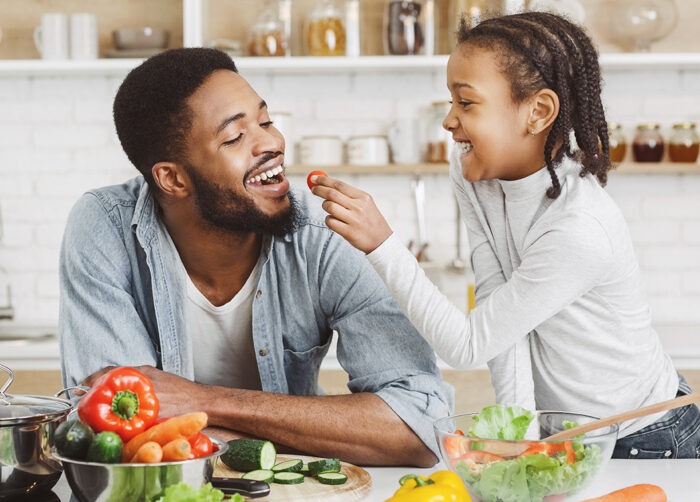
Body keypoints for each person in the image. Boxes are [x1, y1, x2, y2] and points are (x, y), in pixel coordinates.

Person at [311, 12, 700, 459]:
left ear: (537, 112)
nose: (449, 121)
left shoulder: (578, 227)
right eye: (450, 101)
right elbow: (501, 322)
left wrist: (382, 245)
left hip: (646, 435)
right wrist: (521, 439)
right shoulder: (475, 174)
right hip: (571, 438)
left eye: (467, 103)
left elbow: (468, 343)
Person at [58, 47, 453, 467]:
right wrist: (317, 433)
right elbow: (116, 434)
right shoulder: (105, 227)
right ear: (172, 178)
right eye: (234, 137)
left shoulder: (326, 235)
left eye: (265, 121)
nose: (272, 143)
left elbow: (421, 427)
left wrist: (203, 401)